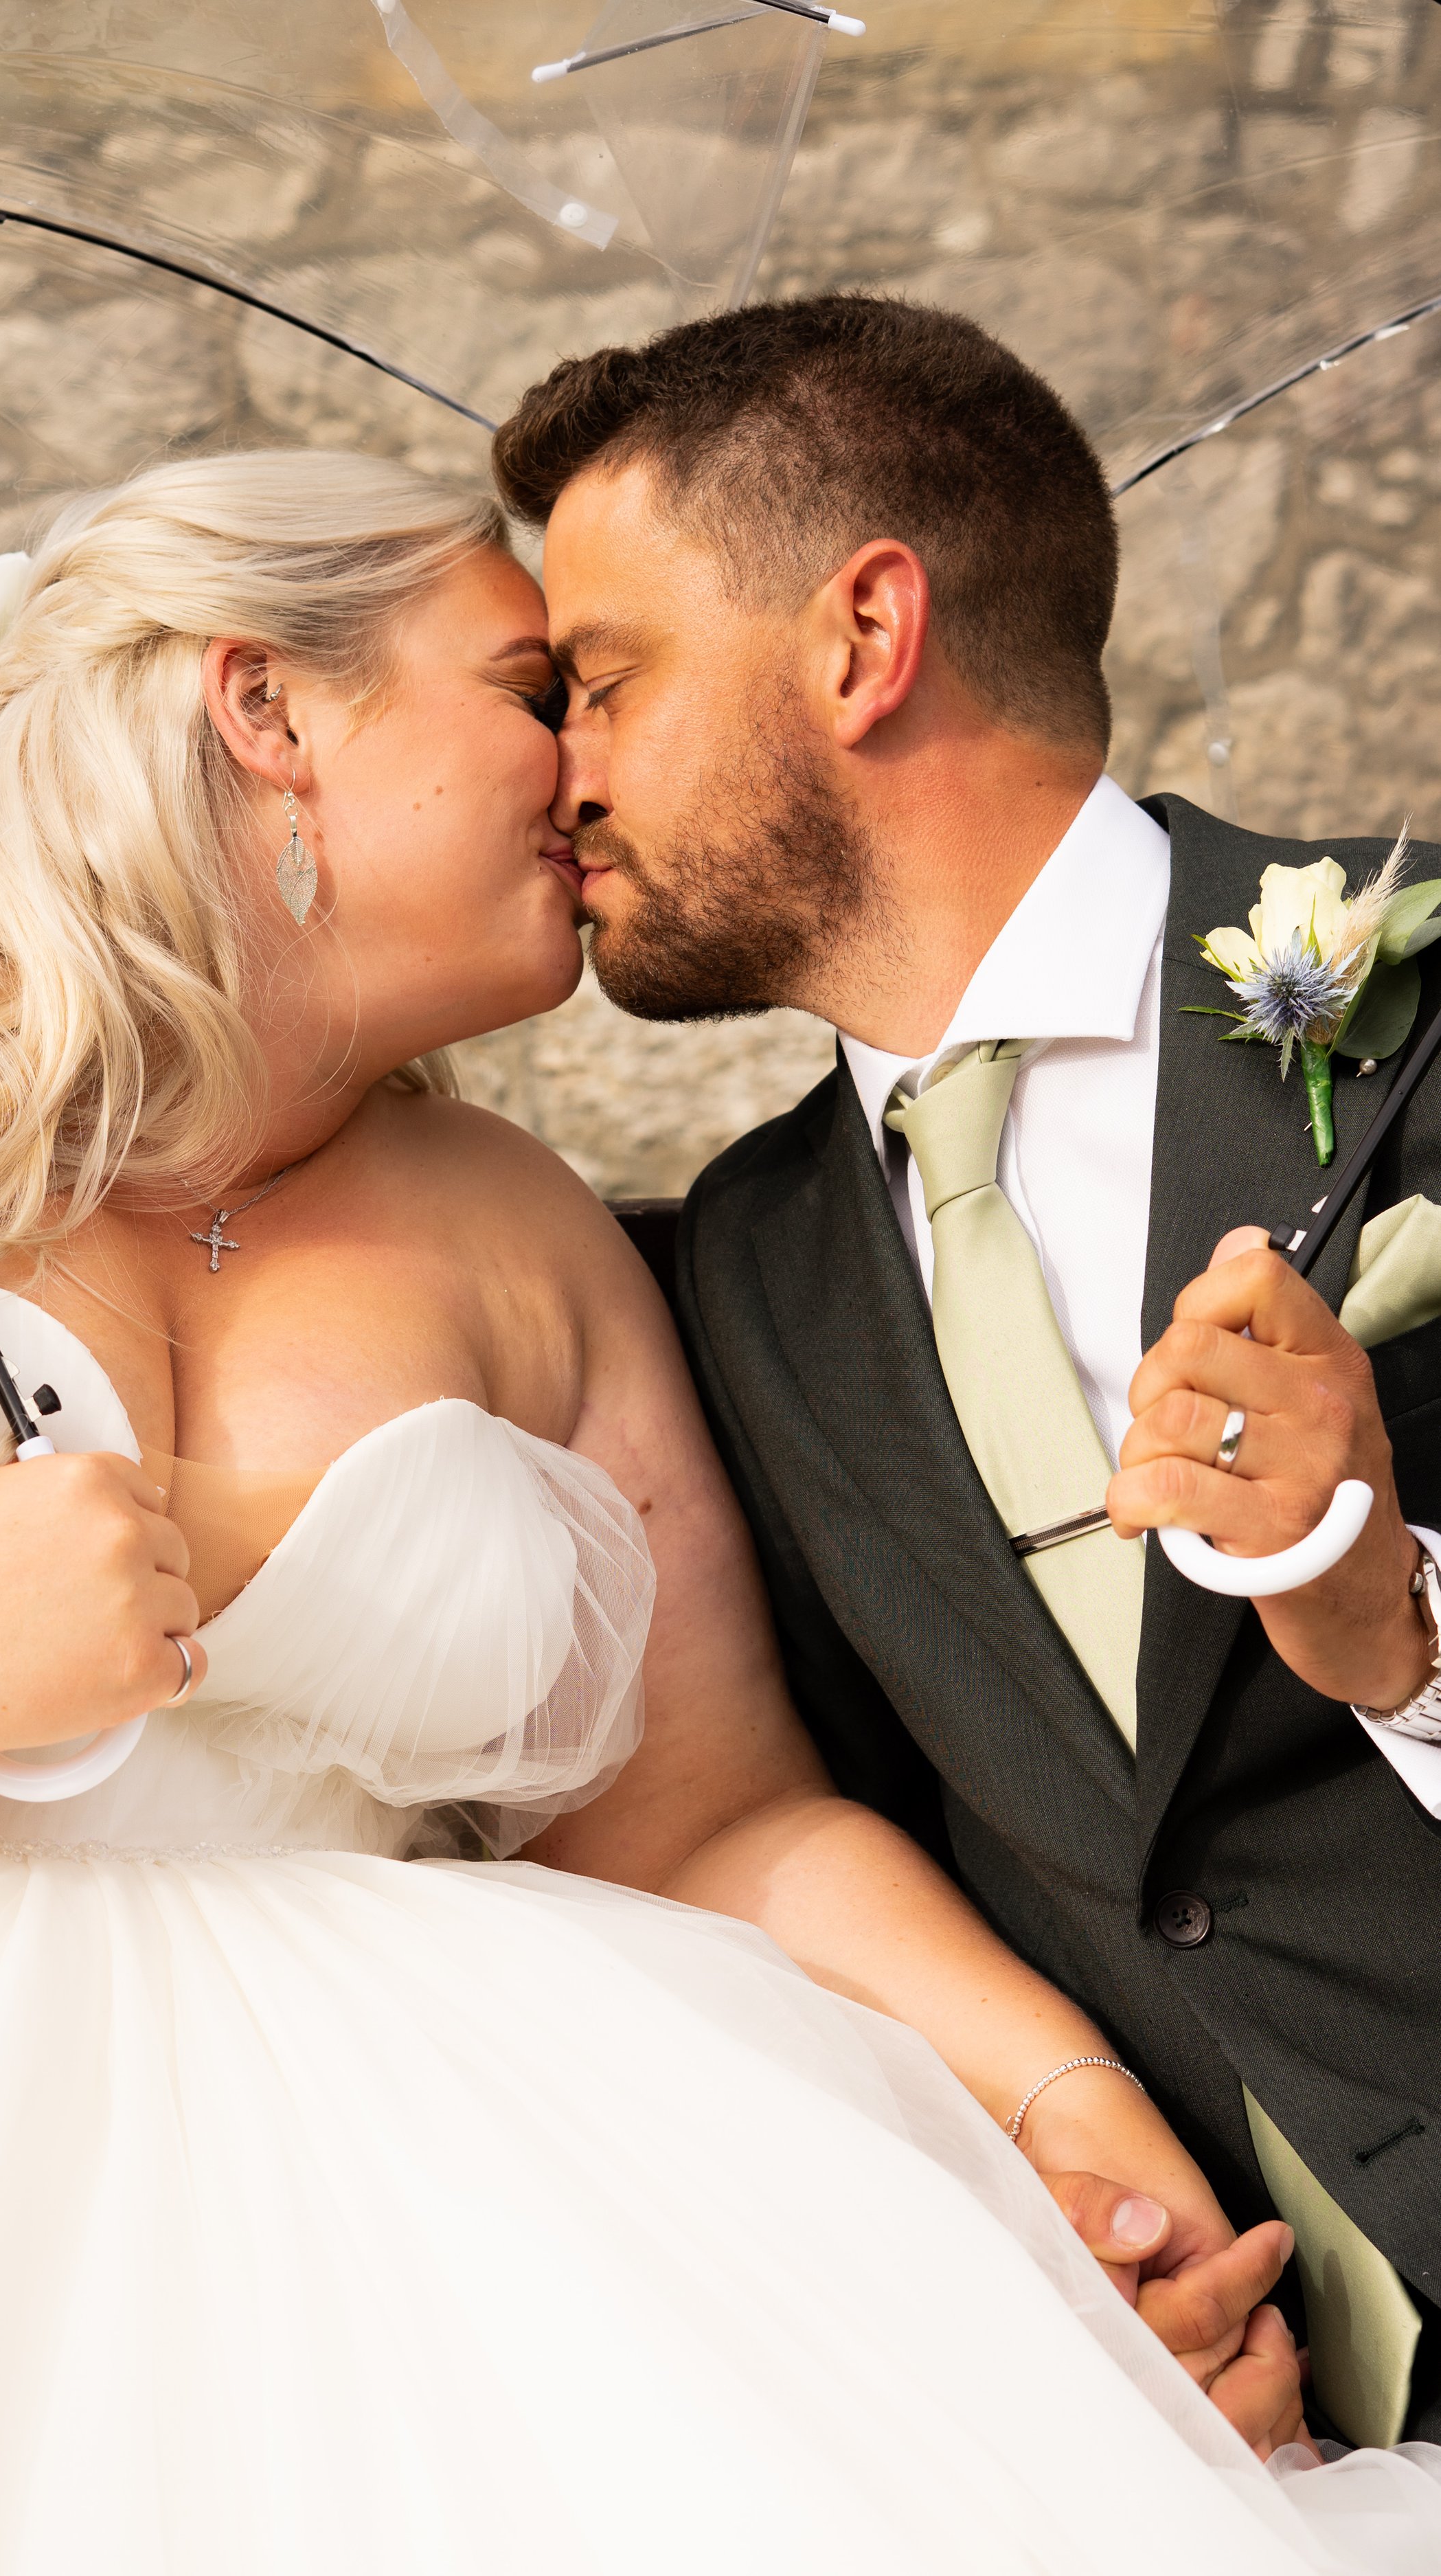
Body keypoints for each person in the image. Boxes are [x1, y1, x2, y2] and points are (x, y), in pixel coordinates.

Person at [0, 449, 1429, 2576]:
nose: (586, 761)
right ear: (267, 709)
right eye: (530, 683)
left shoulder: (532, 1237)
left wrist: (1072, 2137)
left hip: (459, 2208)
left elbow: (709, 1820)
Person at [497, 291, 1441, 2461]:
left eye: (605, 682)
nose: (563, 770)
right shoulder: (734, 1273)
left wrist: (1393, 1630)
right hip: (1217, 2435)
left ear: (860, 637)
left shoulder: (1416, 1016)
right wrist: (1065, 2245)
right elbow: (864, 1843)